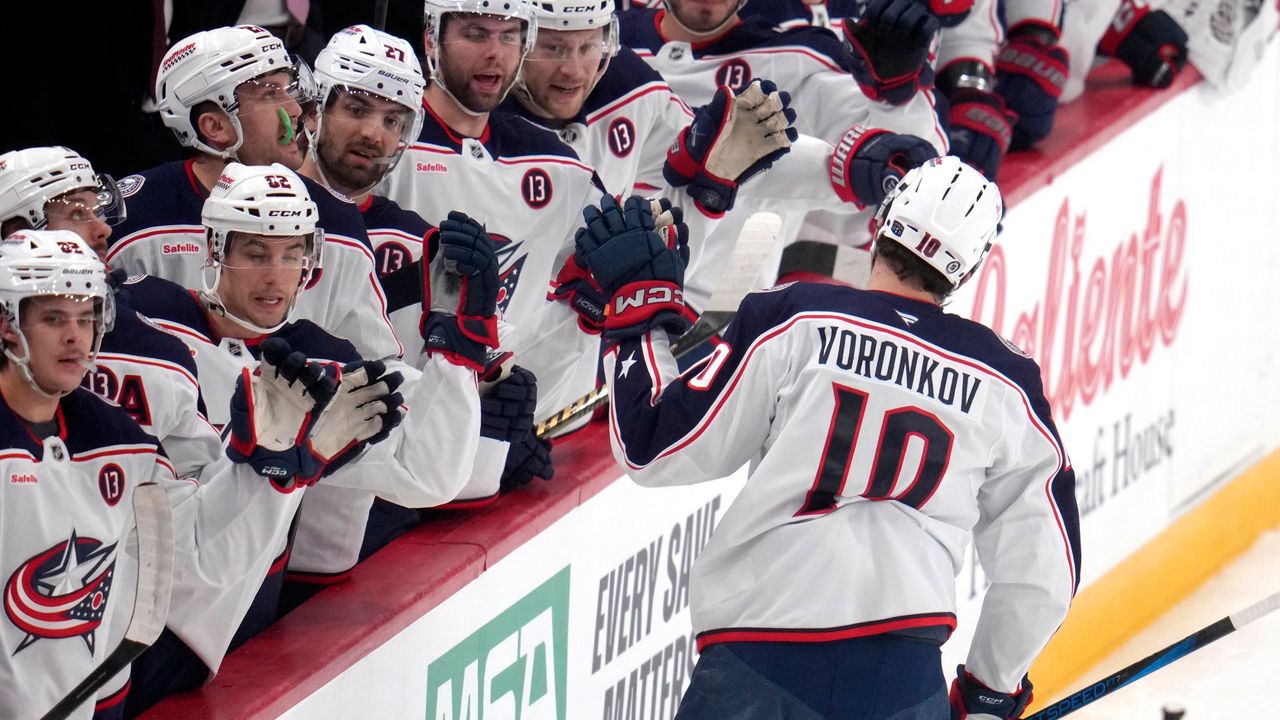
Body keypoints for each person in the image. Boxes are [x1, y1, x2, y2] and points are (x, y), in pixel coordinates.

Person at [586, 157, 1080, 718]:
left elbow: (653, 447)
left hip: (757, 663)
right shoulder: (1007, 382)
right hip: (899, 686)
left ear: (883, 220)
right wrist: (990, 691)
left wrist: (634, 314)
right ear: (966, 272)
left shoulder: (795, 316)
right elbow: (1043, 574)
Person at [116, 162, 483, 714]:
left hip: (197, 640)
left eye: (292, 255)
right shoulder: (137, 323)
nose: (276, 275)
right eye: (256, 253)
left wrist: (456, 351)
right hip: (97, 611)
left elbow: (432, 474)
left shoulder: (325, 367)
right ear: (212, 252)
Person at [0, 229, 357, 719]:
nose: (74, 336)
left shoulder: (117, 438)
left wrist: (262, 474)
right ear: (7, 326)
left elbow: (189, 550)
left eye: (86, 318)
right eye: (53, 318)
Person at [105, 25, 404, 363]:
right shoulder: (131, 219)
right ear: (215, 127)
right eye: (269, 94)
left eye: (288, 89)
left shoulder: (337, 220)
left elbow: (377, 368)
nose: (294, 110)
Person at [0, 146, 223, 479]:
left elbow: (197, 493)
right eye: (77, 214)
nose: (103, 229)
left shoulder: (158, 348)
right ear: (14, 233)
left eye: (98, 212)